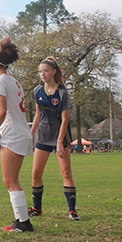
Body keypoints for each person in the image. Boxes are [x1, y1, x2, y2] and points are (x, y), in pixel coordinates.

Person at [0, 37, 34, 233]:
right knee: (12, 179)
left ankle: (23, 223)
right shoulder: (14, 81)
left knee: (10, 180)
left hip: (13, 135)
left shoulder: (0, 82)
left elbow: (2, 111)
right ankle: (20, 220)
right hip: (22, 133)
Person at [29, 56, 81, 221]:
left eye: (46, 71)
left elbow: (65, 120)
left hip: (60, 137)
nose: (42, 74)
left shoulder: (62, 93)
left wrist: (59, 142)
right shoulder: (37, 91)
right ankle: (37, 208)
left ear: (54, 72)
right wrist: (31, 134)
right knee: (36, 173)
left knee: (66, 173)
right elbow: (38, 114)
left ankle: (72, 211)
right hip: (43, 137)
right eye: (40, 72)